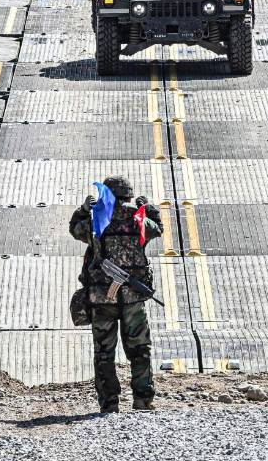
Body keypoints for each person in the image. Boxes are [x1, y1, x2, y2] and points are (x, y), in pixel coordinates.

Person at [69, 176, 164, 414]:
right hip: (133, 299)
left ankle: (109, 403)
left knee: (104, 353)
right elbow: (158, 229)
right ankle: (143, 400)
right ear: (129, 196)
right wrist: (148, 207)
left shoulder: (96, 220)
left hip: (103, 299)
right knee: (140, 350)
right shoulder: (139, 220)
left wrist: (83, 209)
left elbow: (75, 229)